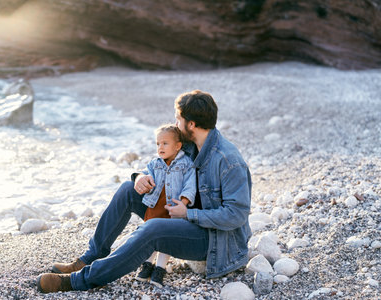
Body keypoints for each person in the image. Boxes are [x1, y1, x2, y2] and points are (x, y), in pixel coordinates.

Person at [36, 90, 252, 293]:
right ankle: (91, 256)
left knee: (153, 229)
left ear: (192, 124)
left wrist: (188, 214)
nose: (176, 124)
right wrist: (139, 178)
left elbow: (237, 215)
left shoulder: (228, 160)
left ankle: (78, 280)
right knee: (128, 189)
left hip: (215, 239)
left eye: (178, 119)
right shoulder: (187, 144)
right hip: (181, 215)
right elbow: (158, 165)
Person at [135, 124, 196, 287]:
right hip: (156, 205)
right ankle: (147, 264)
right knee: (150, 235)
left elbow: (190, 186)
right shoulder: (155, 163)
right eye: (158, 144)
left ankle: (160, 269)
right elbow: (145, 175)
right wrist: (142, 178)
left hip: (172, 207)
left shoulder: (186, 164)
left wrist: (183, 203)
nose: (160, 147)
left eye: (165, 143)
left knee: (167, 238)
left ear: (178, 146)